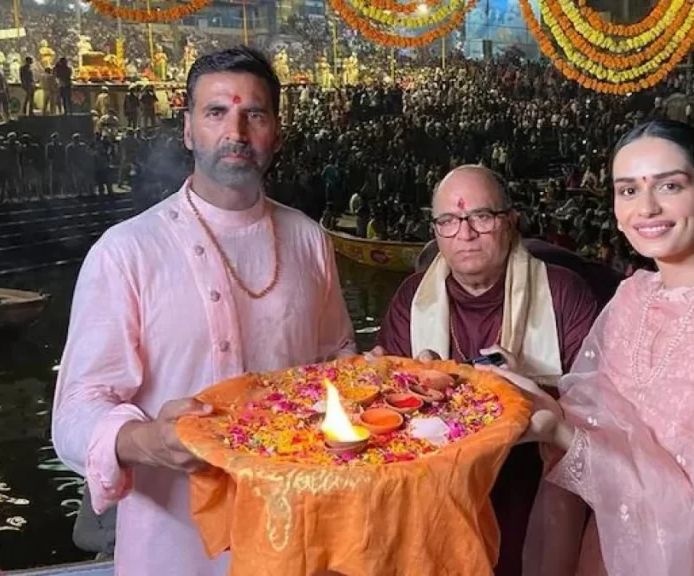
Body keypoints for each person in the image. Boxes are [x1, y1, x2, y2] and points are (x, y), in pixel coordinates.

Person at [51, 46, 356, 576]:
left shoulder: (309, 238)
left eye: (254, 114)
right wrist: (151, 441)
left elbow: (335, 359)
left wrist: (373, 379)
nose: (235, 132)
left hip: (296, 525)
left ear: (277, 133)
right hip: (174, 539)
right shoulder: (127, 251)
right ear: (188, 130)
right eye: (216, 112)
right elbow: (76, 410)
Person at [488, 121, 694, 576]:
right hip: (609, 547)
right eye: (628, 191)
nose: (647, 207)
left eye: (670, 186)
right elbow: (596, 414)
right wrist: (535, 394)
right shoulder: (632, 297)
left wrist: (561, 433)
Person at [372, 165, 600, 576]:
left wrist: (529, 387)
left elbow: (600, 414)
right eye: (449, 220)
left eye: (481, 216)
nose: (465, 233)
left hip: (533, 485)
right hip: (440, 490)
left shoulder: (563, 292)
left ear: (510, 221)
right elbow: (389, 414)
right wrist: (393, 382)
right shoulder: (411, 299)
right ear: (435, 230)